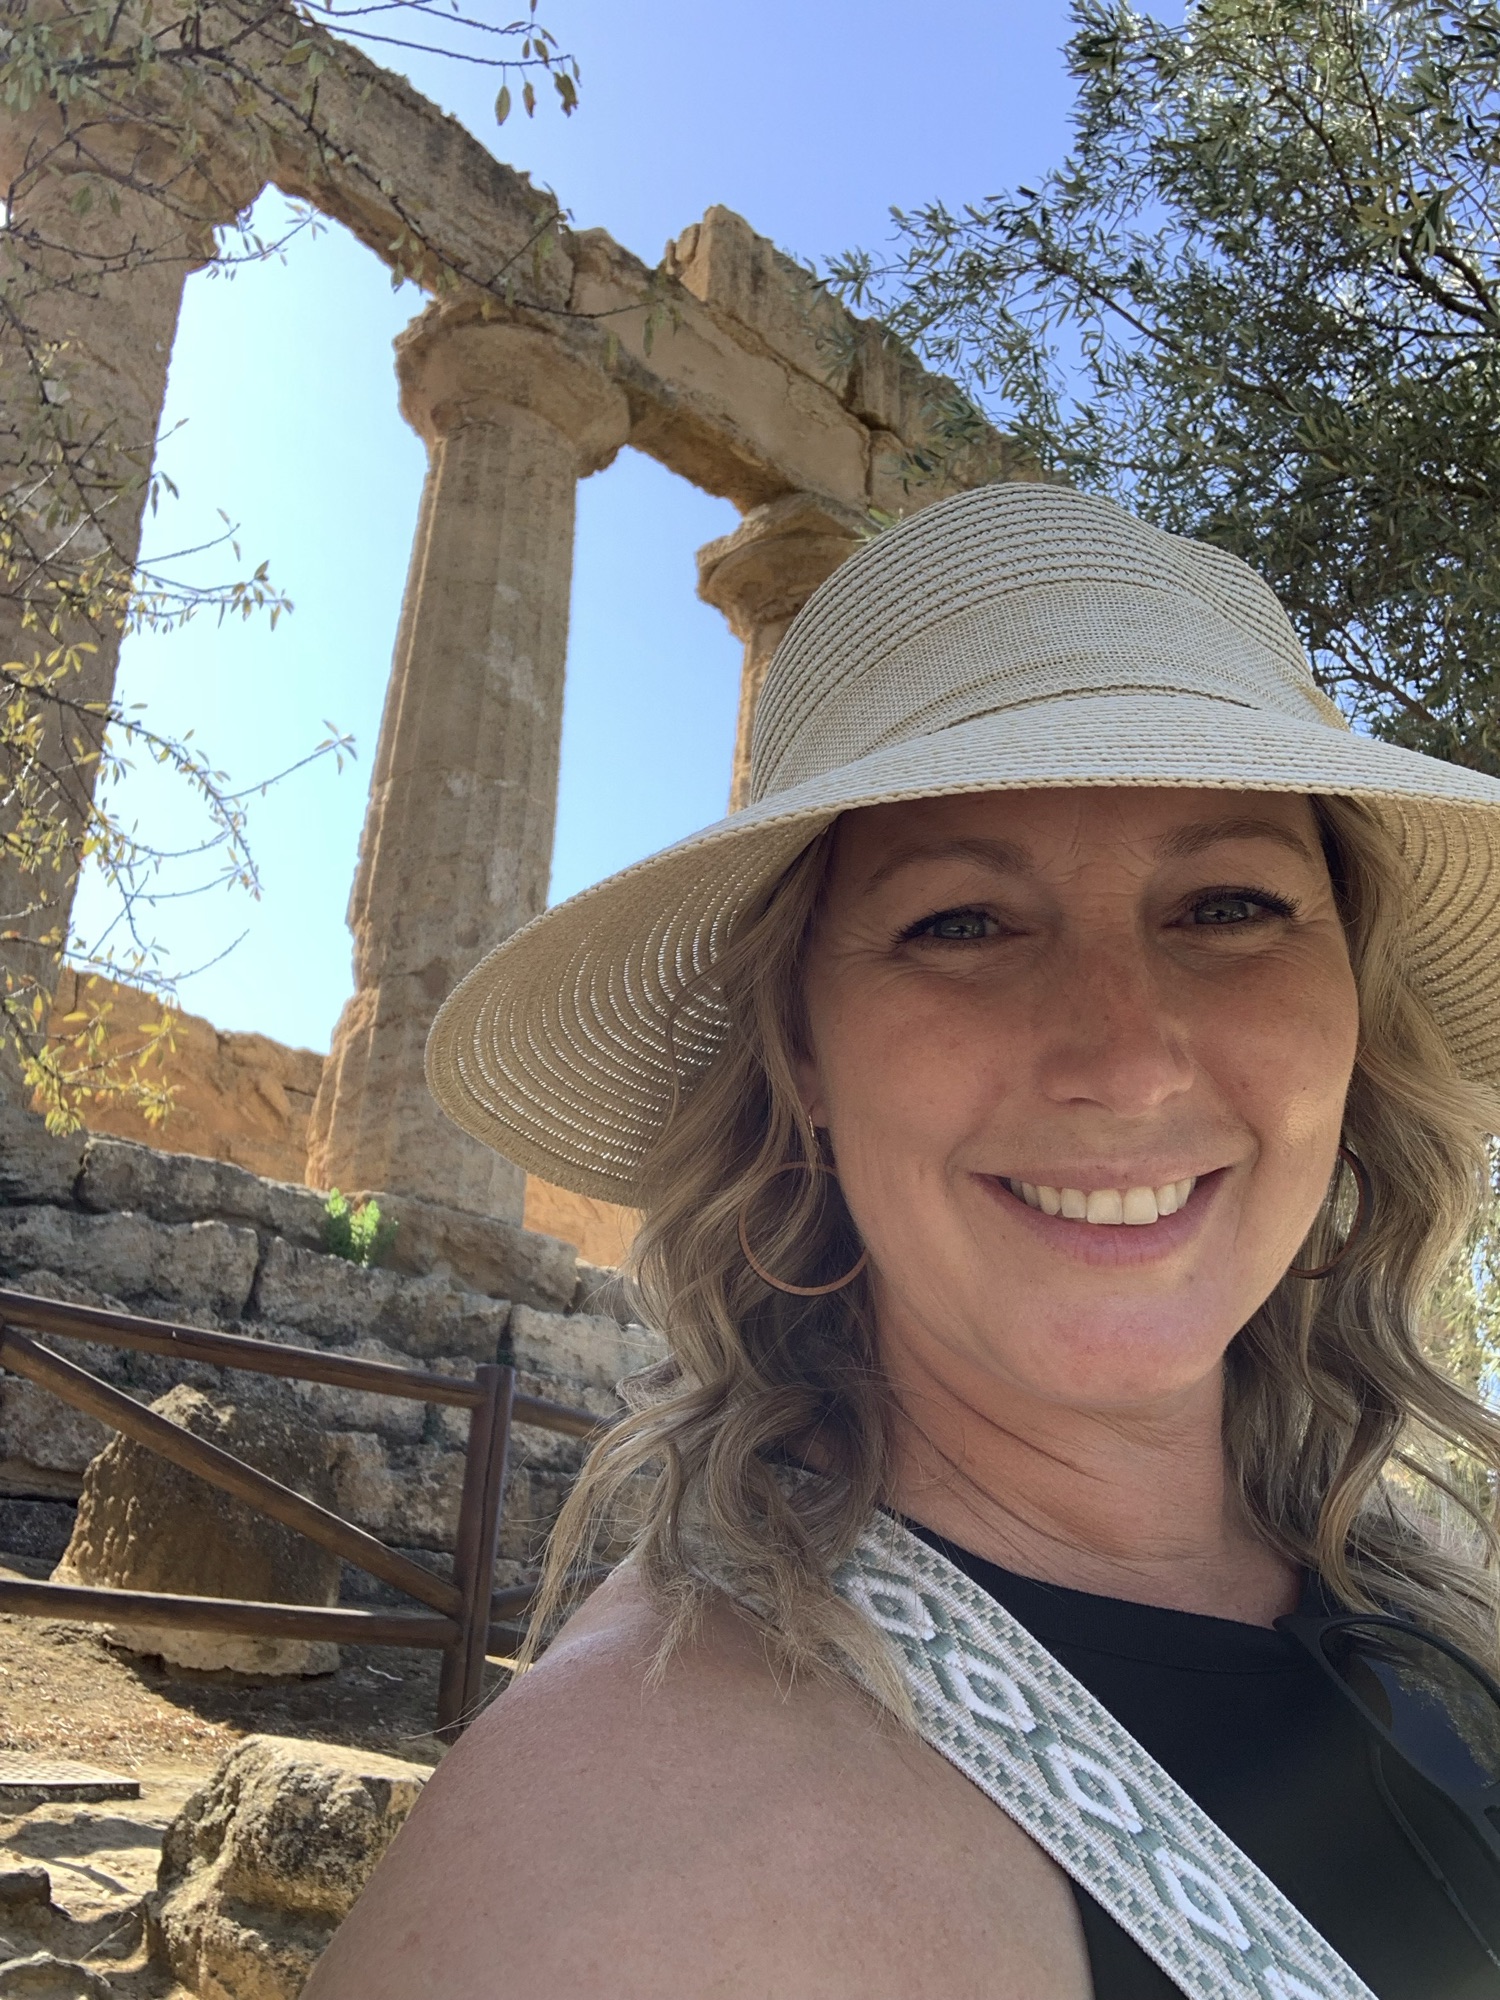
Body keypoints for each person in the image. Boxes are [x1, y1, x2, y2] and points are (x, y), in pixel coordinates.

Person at [307, 483, 1500, 2000]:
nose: (1125, 1060)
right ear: (800, 1052)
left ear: (1354, 1012)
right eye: (961, 923)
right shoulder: (610, 1880)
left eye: (1228, 905)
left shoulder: (1424, 1608)